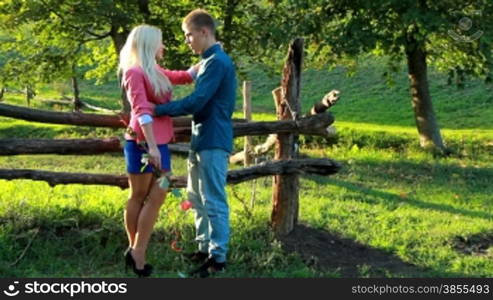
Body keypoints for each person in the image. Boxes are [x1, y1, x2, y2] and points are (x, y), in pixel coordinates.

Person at [154, 9, 237, 278]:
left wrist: (158, 109)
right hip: (202, 137)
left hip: (213, 138)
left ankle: (218, 258)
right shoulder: (207, 60)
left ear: (204, 32)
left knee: (213, 200)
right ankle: (203, 247)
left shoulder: (217, 63)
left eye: (189, 35)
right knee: (196, 197)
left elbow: (197, 101)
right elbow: (182, 78)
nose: (187, 40)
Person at [118, 24, 196, 277]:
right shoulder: (133, 72)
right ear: (150, 44)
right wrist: (151, 146)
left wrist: (211, 56)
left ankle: (136, 249)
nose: (164, 46)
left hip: (159, 143)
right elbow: (140, 110)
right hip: (142, 143)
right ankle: (137, 251)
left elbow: (184, 76)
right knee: (139, 196)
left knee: (159, 195)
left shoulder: (156, 71)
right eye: (160, 42)